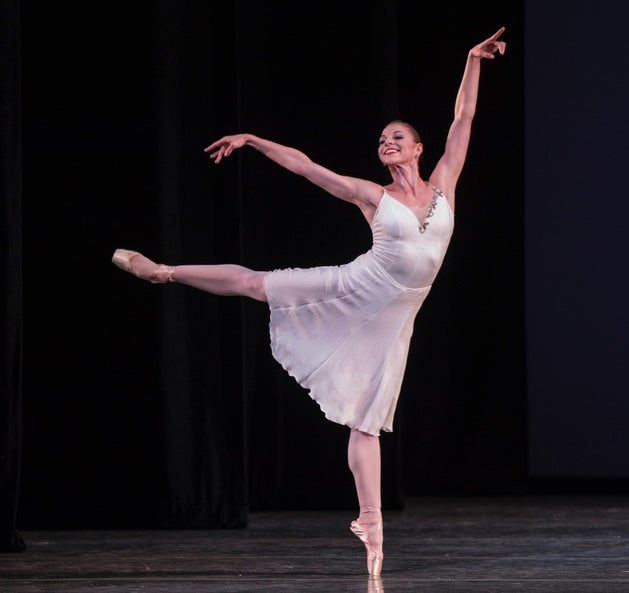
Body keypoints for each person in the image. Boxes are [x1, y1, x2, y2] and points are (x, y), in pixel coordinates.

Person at [112, 27, 506, 577]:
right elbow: (307, 167)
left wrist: (471, 60)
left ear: (418, 149)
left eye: (398, 137)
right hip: (353, 287)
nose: (387, 142)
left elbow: (462, 118)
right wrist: (253, 139)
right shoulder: (374, 196)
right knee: (258, 284)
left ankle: (370, 522)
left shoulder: (444, 185)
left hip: (394, 321)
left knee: (366, 422)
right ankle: (163, 272)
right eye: (381, 139)